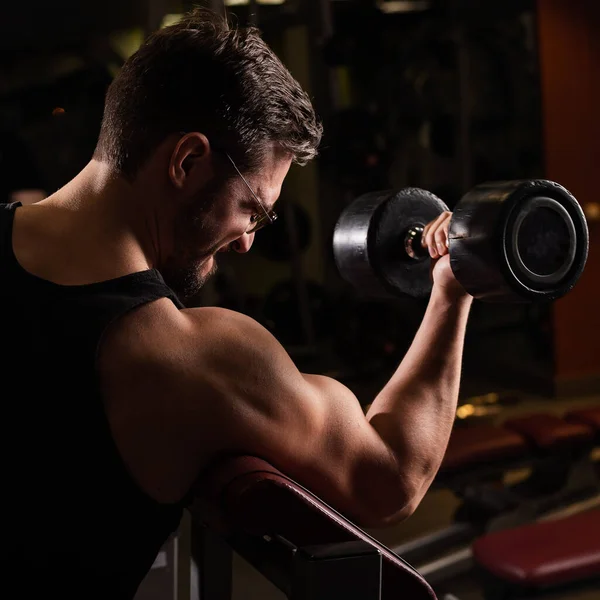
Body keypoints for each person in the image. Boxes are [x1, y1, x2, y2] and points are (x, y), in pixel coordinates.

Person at [0, 7, 472, 598]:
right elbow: (392, 476)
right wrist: (452, 289)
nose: (249, 239)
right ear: (187, 161)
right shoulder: (189, 360)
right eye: (255, 209)